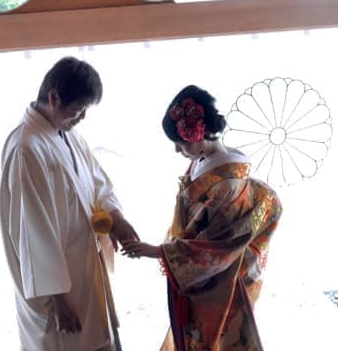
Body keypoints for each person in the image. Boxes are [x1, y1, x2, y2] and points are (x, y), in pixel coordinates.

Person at [121, 84, 282, 351]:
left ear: (197, 133)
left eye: (180, 143)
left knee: (211, 342)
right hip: (198, 280)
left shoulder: (229, 184)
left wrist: (159, 252)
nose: (177, 150)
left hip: (219, 283)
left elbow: (219, 246)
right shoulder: (204, 163)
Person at [0, 56, 140, 351]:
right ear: (54, 97)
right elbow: (32, 232)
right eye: (78, 109)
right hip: (59, 290)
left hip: (85, 268)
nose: (82, 118)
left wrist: (116, 218)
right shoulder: (27, 147)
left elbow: (97, 181)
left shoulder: (67, 135)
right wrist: (59, 301)